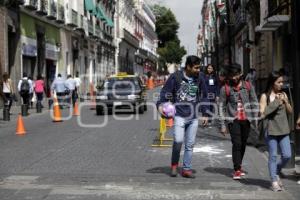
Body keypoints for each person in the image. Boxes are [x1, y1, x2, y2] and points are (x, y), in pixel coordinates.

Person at [157, 55, 208, 178]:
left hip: (193, 116)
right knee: (178, 141)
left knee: (190, 144)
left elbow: (205, 95)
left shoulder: (200, 77)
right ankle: (174, 165)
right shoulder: (176, 77)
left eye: (199, 68)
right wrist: (160, 105)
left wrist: (205, 113)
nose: (198, 70)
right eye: (196, 68)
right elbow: (165, 92)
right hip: (179, 115)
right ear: (188, 67)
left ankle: (186, 169)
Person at [219, 63, 259, 180]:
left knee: (243, 144)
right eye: (231, 75)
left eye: (236, 75)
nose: (234, 78)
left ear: (241, 73)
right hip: (233, 120)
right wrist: (222, 125)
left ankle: (239, 165)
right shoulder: (225, 88)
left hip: (246, 120)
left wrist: (255, 118)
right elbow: (221, 107)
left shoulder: (248, 86)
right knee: (236, 144)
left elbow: (254, 101)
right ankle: (237, 169)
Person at [259, 71, 293, 191]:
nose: (281, 84)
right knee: (273, 156)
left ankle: (277, 170)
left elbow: (290, 111)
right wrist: (276, 102)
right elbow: (263, 114)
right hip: (271, 130)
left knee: (287, 155)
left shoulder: (284, 94)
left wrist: (286, 102)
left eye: (282, 82)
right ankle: (274, 180)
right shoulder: (265, 96)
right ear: (272, 83)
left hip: (283, 130)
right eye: (279, 82)